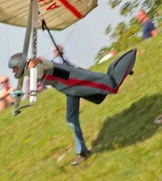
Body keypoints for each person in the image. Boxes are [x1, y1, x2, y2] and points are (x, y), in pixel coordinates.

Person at [8, 47, 137, 166]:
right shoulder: (28, 71)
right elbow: (27, 80)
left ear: (19, 64)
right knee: (71, 119)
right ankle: (83, 152)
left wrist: (37, 60)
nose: (13, 71)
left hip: (74, 81)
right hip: (69, 90)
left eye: (14, 68)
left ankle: (125, 66)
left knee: (110, 85)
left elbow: (46, 62)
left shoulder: (36, 67)